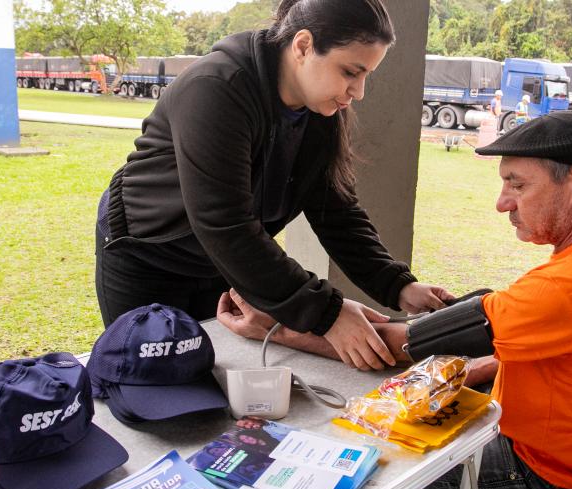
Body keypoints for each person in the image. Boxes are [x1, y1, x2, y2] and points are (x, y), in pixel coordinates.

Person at [218, 111, 572, 489]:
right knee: (442, 407)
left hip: (557, 485)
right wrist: (474, 365)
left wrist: (279, 331)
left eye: (517, 184)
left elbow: (401, 348)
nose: (502, 202)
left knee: (362, 455)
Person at [95, 0, 451, 371]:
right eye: (350, 71)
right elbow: (225, 225)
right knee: (149, 378)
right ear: (302, 46)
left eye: (366, 76)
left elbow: (336, 211)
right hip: (147, 256)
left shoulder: (320, 108)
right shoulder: (217, 88)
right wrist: (327, 313)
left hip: (222, 263)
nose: (358, 91)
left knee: (212, 373)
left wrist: (397, 286)